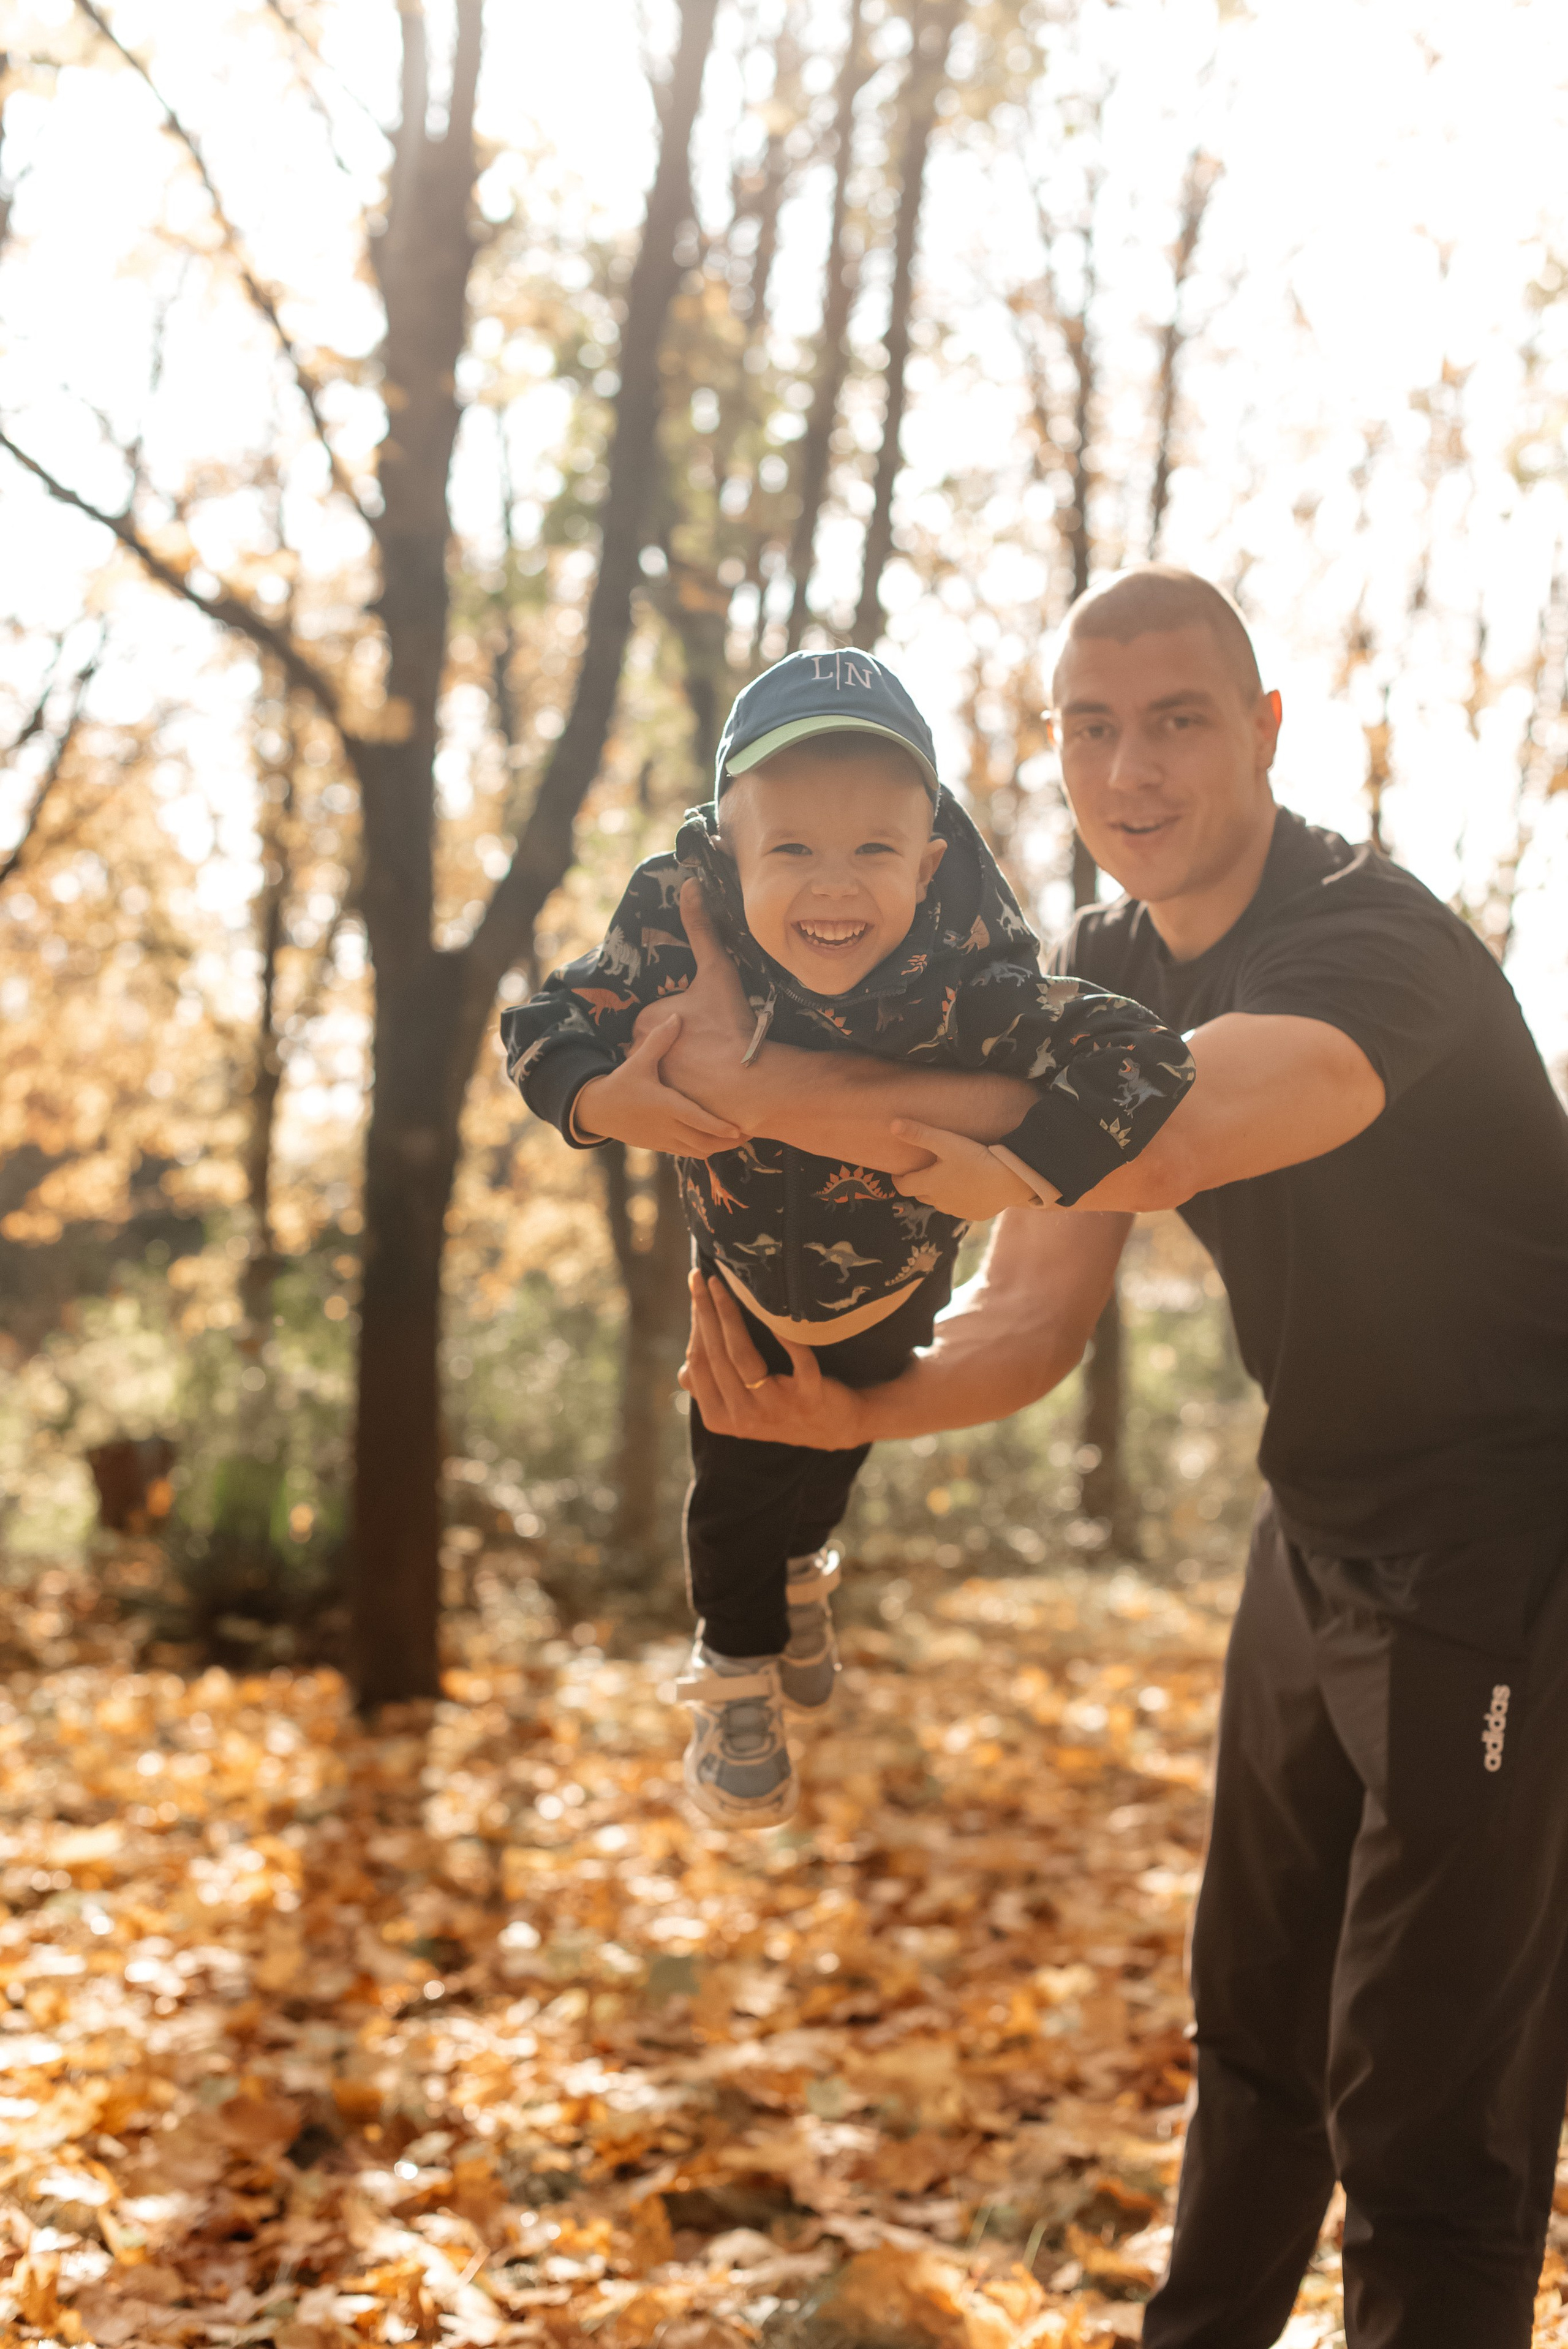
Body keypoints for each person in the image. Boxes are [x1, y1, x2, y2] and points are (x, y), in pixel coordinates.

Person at [671, 567, 1568, 2347]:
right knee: (1254, 2035)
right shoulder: (1092, 962)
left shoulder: (1369, 938)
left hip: (1514, 1535)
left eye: (1174, 720)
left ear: (1264, 731)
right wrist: (844, 1409)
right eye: (1090, 728)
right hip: (1318, 1525)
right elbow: (1029, 1312)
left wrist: (750, 1084)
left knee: (1428, 2109)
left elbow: (1155, 1129)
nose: (1128, 767)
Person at [502, 648, 1193, 1829]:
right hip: (740, 1293)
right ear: (727, 853)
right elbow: (545, 1021)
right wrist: (596, 1099)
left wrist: (1022, 1171)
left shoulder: (969, 985)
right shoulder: (676, 936)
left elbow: (1148, 1060)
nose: (835, 887)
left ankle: (806, 1571)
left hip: (897, 1290)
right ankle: (735, 1679)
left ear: (928, 864)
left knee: (832, 1456)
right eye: (793, 851)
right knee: (734, 1483)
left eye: (874, 851)